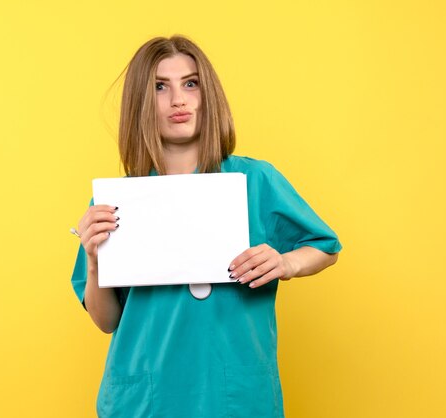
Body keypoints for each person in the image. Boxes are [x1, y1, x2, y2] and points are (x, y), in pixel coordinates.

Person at [70, 35, 342, 418]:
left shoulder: (255, 180)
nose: (178, 100)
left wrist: (286, 263)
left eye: (190, 83)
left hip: (234, 396)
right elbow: (107, 321)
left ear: (207, 94)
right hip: (146, 399)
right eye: (160, 87)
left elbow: (325, 246)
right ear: (140, 103)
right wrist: (95, 260)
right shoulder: (117, 201)